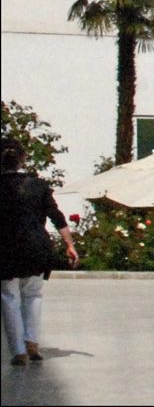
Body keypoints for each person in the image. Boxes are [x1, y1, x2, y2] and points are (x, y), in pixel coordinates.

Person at [0, 141, 77, 366]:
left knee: (9, 296)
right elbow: (57, 216)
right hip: (36, 246)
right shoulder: (39, 185)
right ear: (23, 159)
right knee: (33, 294)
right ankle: (32, 342)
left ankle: (18, 350)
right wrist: (69, 245)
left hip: (6, 247)